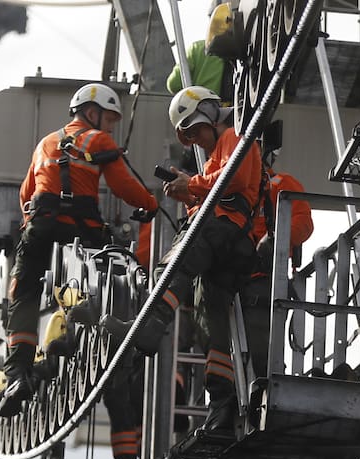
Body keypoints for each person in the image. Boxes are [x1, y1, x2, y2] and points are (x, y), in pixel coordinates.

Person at [0, 82, 159, 418]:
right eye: (109, 118)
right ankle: (95, 326)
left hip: (40, 224)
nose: (111, 124)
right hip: (83, 227)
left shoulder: (44, 144)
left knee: (23, 293)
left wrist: (35, 222)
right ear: (91, 112)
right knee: (111, 272)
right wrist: (150, 204)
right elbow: (123, 185)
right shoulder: (98, 141)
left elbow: (26, 194)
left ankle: (17, 375)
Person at [116, 85, 262, 433]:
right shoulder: (214, 154)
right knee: (212, 325)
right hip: (228, 241)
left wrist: (191, 184)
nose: (196, 139)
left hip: (224, 230)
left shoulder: (234, 135)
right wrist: (188, 191)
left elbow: (234, 179)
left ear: (211, 113)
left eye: (196, 130)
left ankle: (150, 326)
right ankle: (222, 407)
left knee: (175, 262)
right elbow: (217, 186)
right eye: (190, 135)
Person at [240, 146, 313, 382]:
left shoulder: (282, 185)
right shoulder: (234, 189)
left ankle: (265, 394)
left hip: (263, 283)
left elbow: (303, 224)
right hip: (233, 282)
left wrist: (274, 240)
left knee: (264, 360)